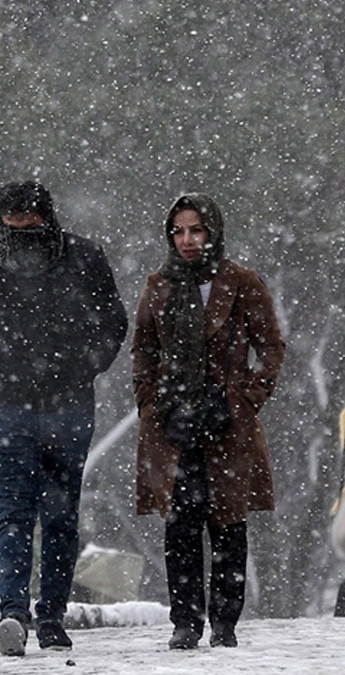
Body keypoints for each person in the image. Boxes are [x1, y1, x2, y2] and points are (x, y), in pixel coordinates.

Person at [0, 181, 128, 656]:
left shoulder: (84, 258)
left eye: (30, 224)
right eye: (14, 225)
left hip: (62, 406)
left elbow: (112, 323)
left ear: (46, 217)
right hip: (13, 405)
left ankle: (47, 614)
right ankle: (17, 613)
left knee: (52, 517)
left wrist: (78, 367)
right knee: (22, 514)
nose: (22, 235)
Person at [132, 193, 285, 650]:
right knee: (180, 525)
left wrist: (245, 399)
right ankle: (185, 622)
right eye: (178, 230)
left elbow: (271, 347)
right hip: (173, 424)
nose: (187, 240)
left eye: (196, 229)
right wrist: (152, 405)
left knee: (228, 524)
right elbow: (143, 350)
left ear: (212, 231)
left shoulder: (241, 281)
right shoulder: (159, 284)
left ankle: (224, 623)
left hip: (227, 424)